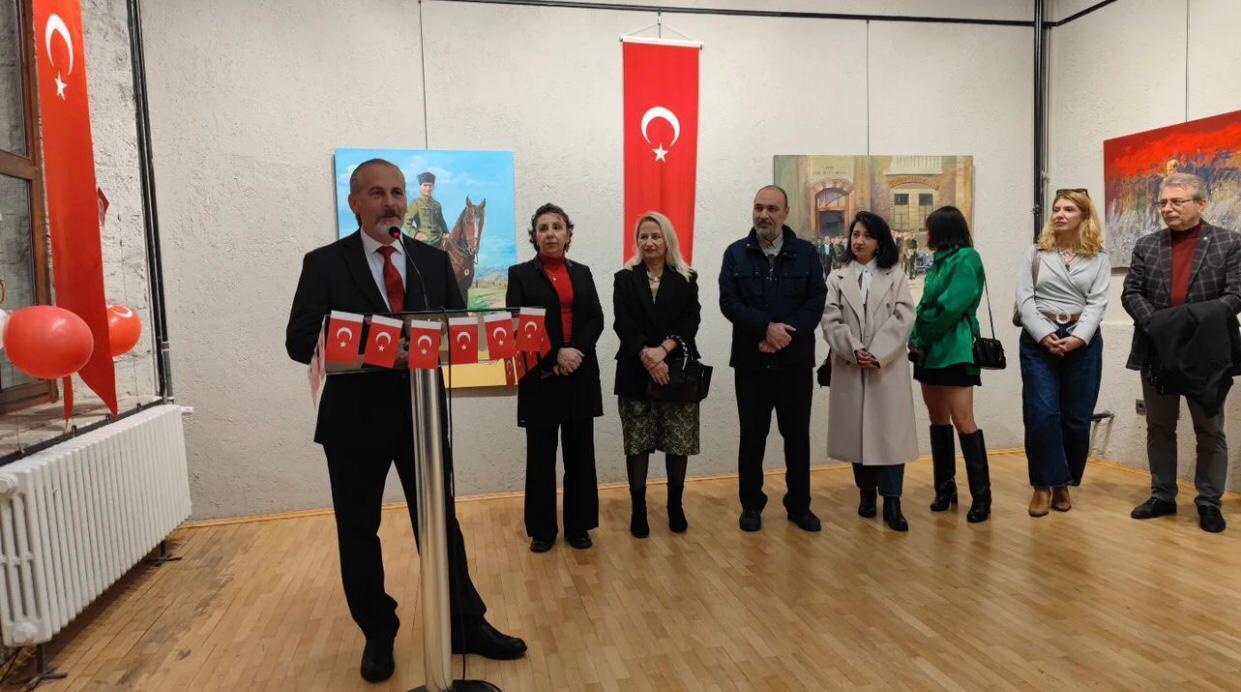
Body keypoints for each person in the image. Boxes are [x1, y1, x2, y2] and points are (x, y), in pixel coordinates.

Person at [285, 159, 525, 683]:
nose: (390, 202)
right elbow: (300, 341)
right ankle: (378, 631)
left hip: (423, 415)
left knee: (440, 523)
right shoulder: (324, 264)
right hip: (353, 423)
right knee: (358, 531)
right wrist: (375, 348)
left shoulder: (430, 261)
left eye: (396, 192)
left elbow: (457, 327)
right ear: (354, 203)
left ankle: (464, 623)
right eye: (377, 193)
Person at [1122, 172, 1241, 533]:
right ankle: (1162, 495)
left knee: (1210, 430)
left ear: (1201, 204)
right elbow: (1131, 292)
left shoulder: (1229, 242)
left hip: (1207, 353)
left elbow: (1235, 295)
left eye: (1177, 201)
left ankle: (1209, 502)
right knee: (1159, 426)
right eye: (1163, 202)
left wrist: (1188, 323)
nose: (1168, 208)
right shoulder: (1147, 245)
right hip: (1157, 349)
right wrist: (1160, 325)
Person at [719, 185, 827, 533]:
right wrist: (766, 328)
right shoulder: (735, 253)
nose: (763, 215)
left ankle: (799, 506)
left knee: (797, 438)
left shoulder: (806, 253)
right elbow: (729, 303)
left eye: (771, 209)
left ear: (785, 213)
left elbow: (816, 301)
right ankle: (751, 505)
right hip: (751, 364)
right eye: (758, 208)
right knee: (752, 437)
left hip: (794, 364)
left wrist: (783, 335)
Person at [506, 203, 604, 552]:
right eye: (543, 228)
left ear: (568, 234)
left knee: (580, 455)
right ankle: (543, 530)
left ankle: (578, 526)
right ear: (534, 237)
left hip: (580, 373)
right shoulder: (519, 274)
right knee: (541, 458)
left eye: (557, 227)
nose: (550, 233)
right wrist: (556, 355)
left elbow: (595, 319)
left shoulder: (583, 272)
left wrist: (574, 352)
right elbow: (518, 324)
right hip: (541, 377)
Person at [820, 211, 918, 531]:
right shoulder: (836, 278)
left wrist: (876, 353)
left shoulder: (896, 276)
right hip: (850, 365)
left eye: (866, 235)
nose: (859, 241)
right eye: (855, 234)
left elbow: (904, 317)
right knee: (857, 435)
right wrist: (853, 349)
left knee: (890, 436)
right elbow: (830, 320)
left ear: (879, 242)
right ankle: (866, 494)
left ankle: (893, 502)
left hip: (885, 368)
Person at [1015, 189, 1110, 517]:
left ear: (1084, 216)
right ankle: (1042, 485)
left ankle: (1063, 483)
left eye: (1069, 209)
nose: (1060, 214)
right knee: (1042, 414)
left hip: (1082, 341)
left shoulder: (1098, 257)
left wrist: (1078, 337)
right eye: (1057, 208)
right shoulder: (1036, 253)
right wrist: (1044, 334)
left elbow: (1098, 302)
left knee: (1076, 417)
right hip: (1039, 337)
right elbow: (1025, 299)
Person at [612, 211, 701, 538]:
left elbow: (690, 321)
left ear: (667, 240)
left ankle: (675, 506)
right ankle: (639, 509)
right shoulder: (624, 278)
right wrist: (647, 357)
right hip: (635, 371)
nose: (649, 242)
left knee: (677, 443)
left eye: (655, 236)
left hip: (676, 371)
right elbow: (622, 323)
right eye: (643, 236)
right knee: (637, 445)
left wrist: (663, 351)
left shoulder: (687, 277)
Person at [908, 205, 992, 523]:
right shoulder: (939, 261)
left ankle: (981, 497)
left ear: (943, 230)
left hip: (955, 348)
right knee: (937, 420)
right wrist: (917, 336)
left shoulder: (967, 258)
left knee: (963, 420)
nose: (926, 233)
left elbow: (951, 307)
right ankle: (944, 489)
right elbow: (926, 305)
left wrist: (922, 335)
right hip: (929, 350)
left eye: (930, 227)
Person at [404, 171, 450, 249]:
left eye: (430, 186)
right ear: (420, 187)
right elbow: (405, 221)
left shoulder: (437, 205)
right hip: (424, 242)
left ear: (433, 187)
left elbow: (441, 221)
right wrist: (415, 234)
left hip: (439, 240)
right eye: (425, 185)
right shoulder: (416, 203)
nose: (428, 188)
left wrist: (447, 233)